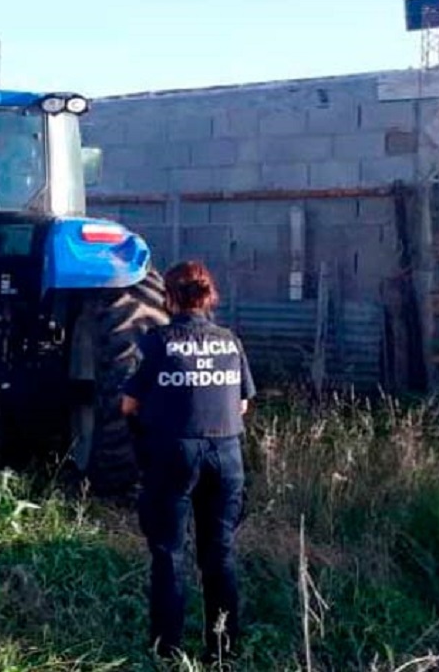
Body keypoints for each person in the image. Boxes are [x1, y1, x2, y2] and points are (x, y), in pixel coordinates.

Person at [121, 260, 255, 661]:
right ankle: (223, 650)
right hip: (227, 454)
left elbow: (129, 404)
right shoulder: (229, 340)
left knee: (168, 553)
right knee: (220, 554)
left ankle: (167, 651)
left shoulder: (157, 342)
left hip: (175, 454)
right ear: (208, 295)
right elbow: (243, 404)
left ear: (169, 297)